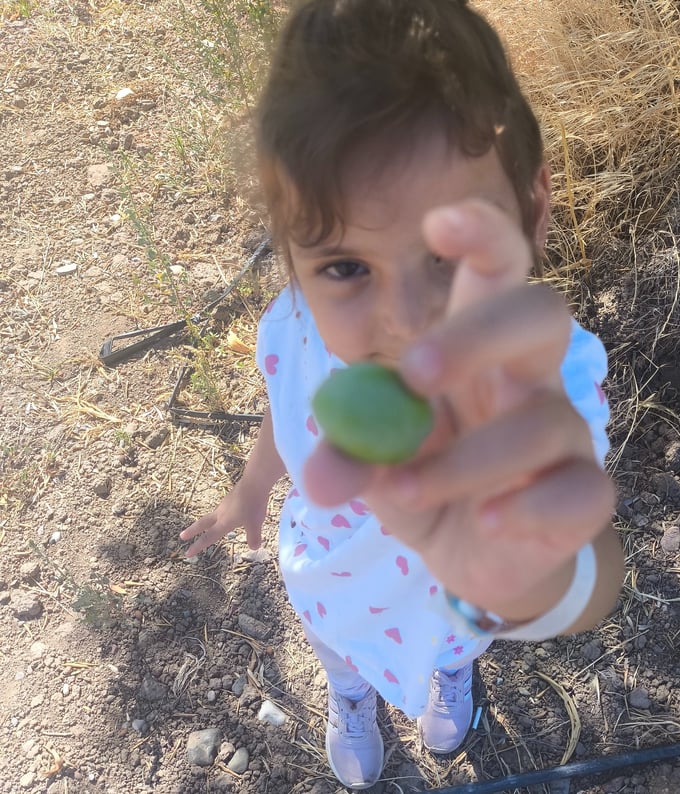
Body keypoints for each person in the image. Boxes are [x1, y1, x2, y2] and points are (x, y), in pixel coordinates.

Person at [181, 0, 624, 789]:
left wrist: (530, 583)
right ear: (291, 257)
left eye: (447, 254)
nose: (409, 325)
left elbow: (593, 571)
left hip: (446, 609)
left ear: (531, 205)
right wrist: (251, 489)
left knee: (454, 647)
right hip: (326, 580)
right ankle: (352, 697)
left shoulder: (541, 381)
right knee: (339, 655)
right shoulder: (295, 324)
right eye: (347, 267)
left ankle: (449, 678)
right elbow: (284, 412)